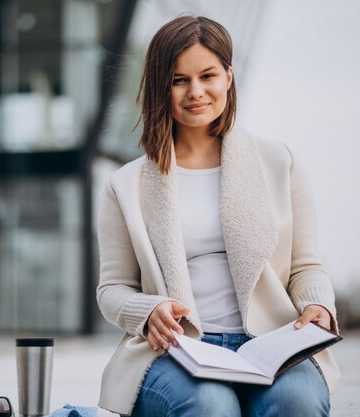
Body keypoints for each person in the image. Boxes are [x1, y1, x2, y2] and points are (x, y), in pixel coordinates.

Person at [96, 15, 340, 417]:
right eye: (178, 80)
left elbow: (307, 266)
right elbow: (112, 289)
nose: (195, 92)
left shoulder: (280, 162)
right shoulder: (126, 184)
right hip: (176, 350)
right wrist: (147, 311)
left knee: (297, 402)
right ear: (160, 86)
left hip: (271, 343)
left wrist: (319, 305)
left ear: (228, 76)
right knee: (211, 406)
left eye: (207, 75)